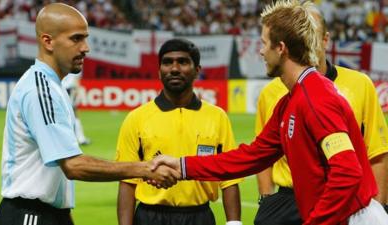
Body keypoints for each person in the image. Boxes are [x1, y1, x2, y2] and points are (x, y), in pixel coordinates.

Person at [151, 1, 388, 224]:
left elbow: (347, 172)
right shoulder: (291, 101)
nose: (262, 51)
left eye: (264, 43)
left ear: (281, 48)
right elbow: (251, 157)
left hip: (352, 219)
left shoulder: (316, 98)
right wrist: (181, 166)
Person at [0, 3, 178, 225]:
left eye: (85, 38)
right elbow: (73, 166)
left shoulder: (53, 86)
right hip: (30, 214)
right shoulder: (40, 90)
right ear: (47, 41)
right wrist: (145, 168)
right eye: (76, 39)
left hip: (48, 212)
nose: (85, 47)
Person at [254, 4, 388, 225]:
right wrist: (266, 199)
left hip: (342, 201)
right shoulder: (272, 92)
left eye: (311, 34)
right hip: (287, 201)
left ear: (325, 40)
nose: (305, 41)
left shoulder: (360, 84)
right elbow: (261, 155)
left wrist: (378, 207)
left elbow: (377, 153)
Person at [115, 38, 242, 225]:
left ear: (197, 70)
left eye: (182, 62)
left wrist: (234, 222)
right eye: (167, 62)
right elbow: (127, 181)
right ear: (159, 71)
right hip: (151, 216)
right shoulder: (137, 118)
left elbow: (230, 176)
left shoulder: (217, 117)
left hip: (200, 217)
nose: (174, 68)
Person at [62, 73, 90, 145]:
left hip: (62, 87)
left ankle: (77, 138)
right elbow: (76, 79)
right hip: (69, 89)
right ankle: (80, 138)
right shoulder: (77, 63)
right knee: (73, 113)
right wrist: (77, 90)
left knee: (67, 113)